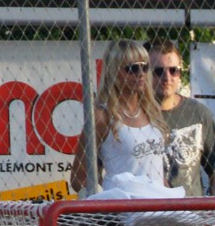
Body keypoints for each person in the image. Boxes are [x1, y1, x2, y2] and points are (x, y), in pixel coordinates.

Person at [70, 39, 171, 194]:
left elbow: (154, 171)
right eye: (132, 68)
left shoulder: (151, 110)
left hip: (158, 203)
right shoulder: (102, 116)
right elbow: (79, 178)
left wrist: (168, 194)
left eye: (145, 67)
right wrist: (111, 198)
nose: (141, 74)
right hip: (124, 206)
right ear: (113, 72)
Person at [147, 40, 215, 197]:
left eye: (173, 70)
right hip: (144, 208)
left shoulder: (199, 114)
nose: (167, 77)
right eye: (158, 71)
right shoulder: (132, 115)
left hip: (190, 209)